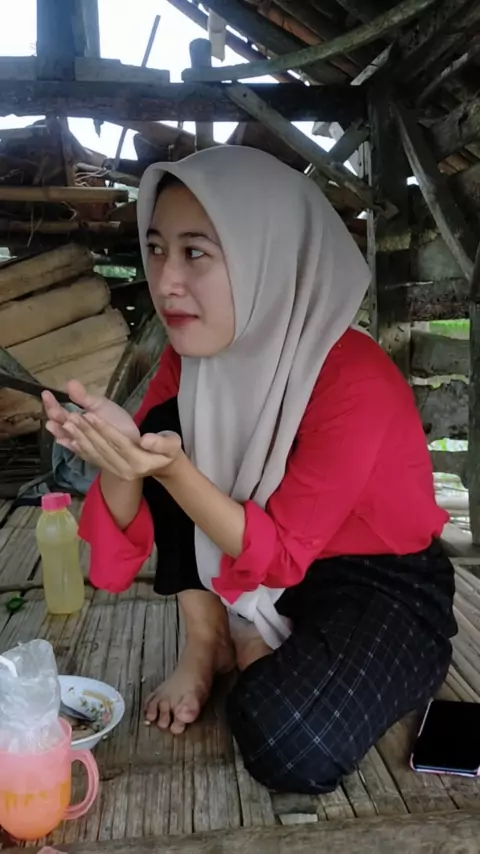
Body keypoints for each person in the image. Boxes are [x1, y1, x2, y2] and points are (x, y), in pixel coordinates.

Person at [43, 146, 456, 795]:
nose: (165, 280)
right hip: (262, 572)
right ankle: (206, 640)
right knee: (167, 435)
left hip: (379, 582)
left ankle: (255, 639)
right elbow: (129, 526)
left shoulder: (354, 377)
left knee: (294, 742)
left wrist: (171, 469)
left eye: (196, 252)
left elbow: (282, 553)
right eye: (156, 249)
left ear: (270, 255)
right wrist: (119, 455)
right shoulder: (192, 361)